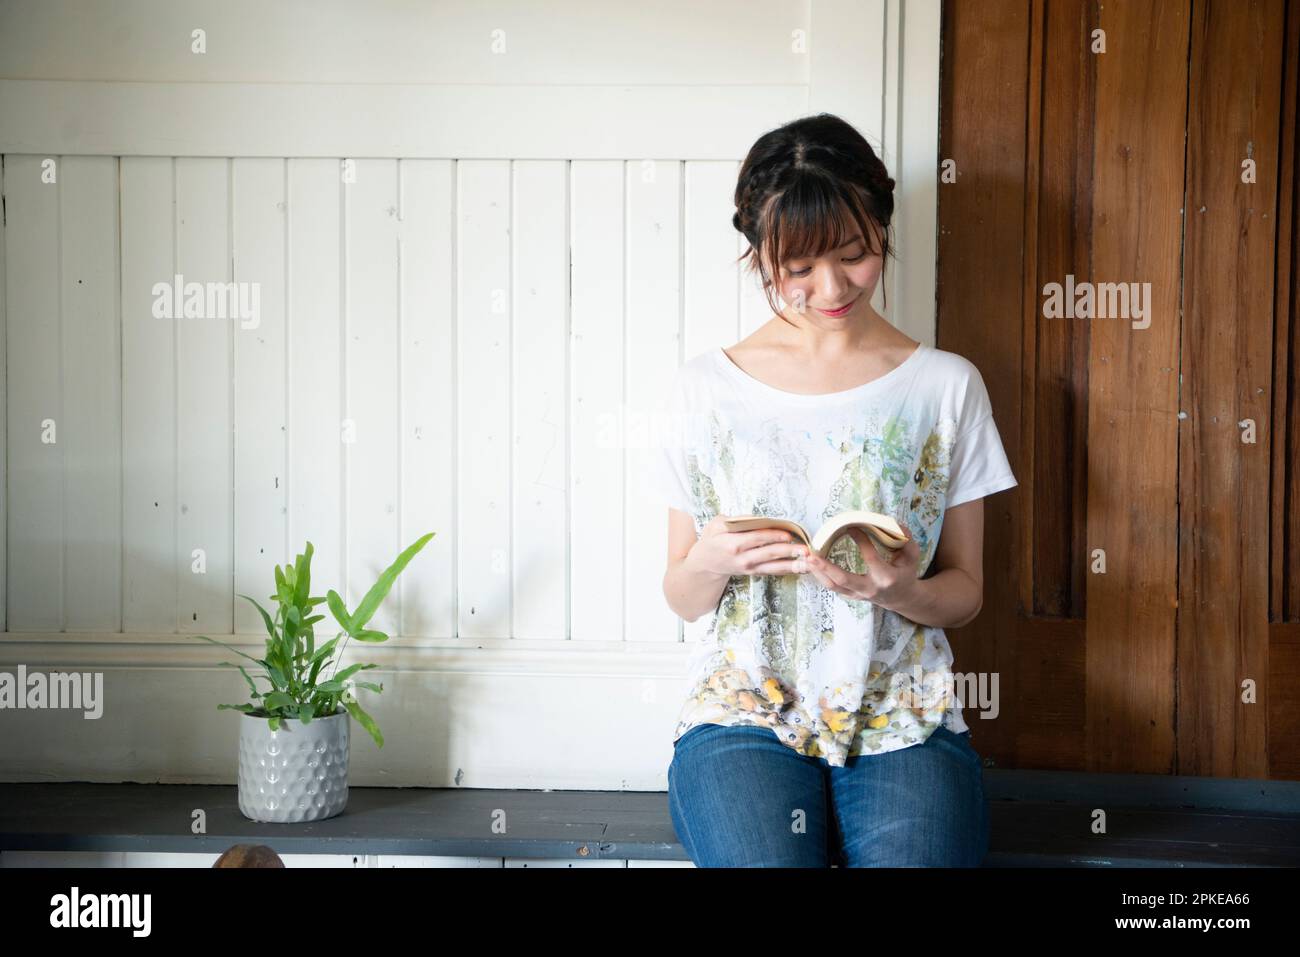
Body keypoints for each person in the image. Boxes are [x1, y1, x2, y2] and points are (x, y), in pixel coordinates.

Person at [653, 113, 1018, 867]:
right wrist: (713, 559)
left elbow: (968, 592)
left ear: (883, 228)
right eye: (799, 269)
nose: (832, 288)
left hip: (903, 714)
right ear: (759, 255)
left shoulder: (946, 386)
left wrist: (898, 590)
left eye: (855, 255)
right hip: (741, 714)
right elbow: (683, 597)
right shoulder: (704, 390)